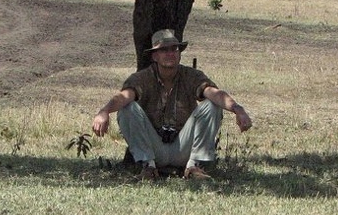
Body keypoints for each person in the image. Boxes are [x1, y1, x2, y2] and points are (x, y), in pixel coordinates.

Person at [91, 28, 253, 180]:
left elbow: (215, 94)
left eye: (174, 49)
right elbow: (124, 96)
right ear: (154, 56)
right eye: (164, 50)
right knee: (127, 108)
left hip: (183, 145)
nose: (170, 54)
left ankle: (194, 166)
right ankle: (148, 167)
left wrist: (238, 109)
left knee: (212, 105)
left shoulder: (191, 75)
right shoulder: (143, 78)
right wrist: (104, 111)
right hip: (154, 148)